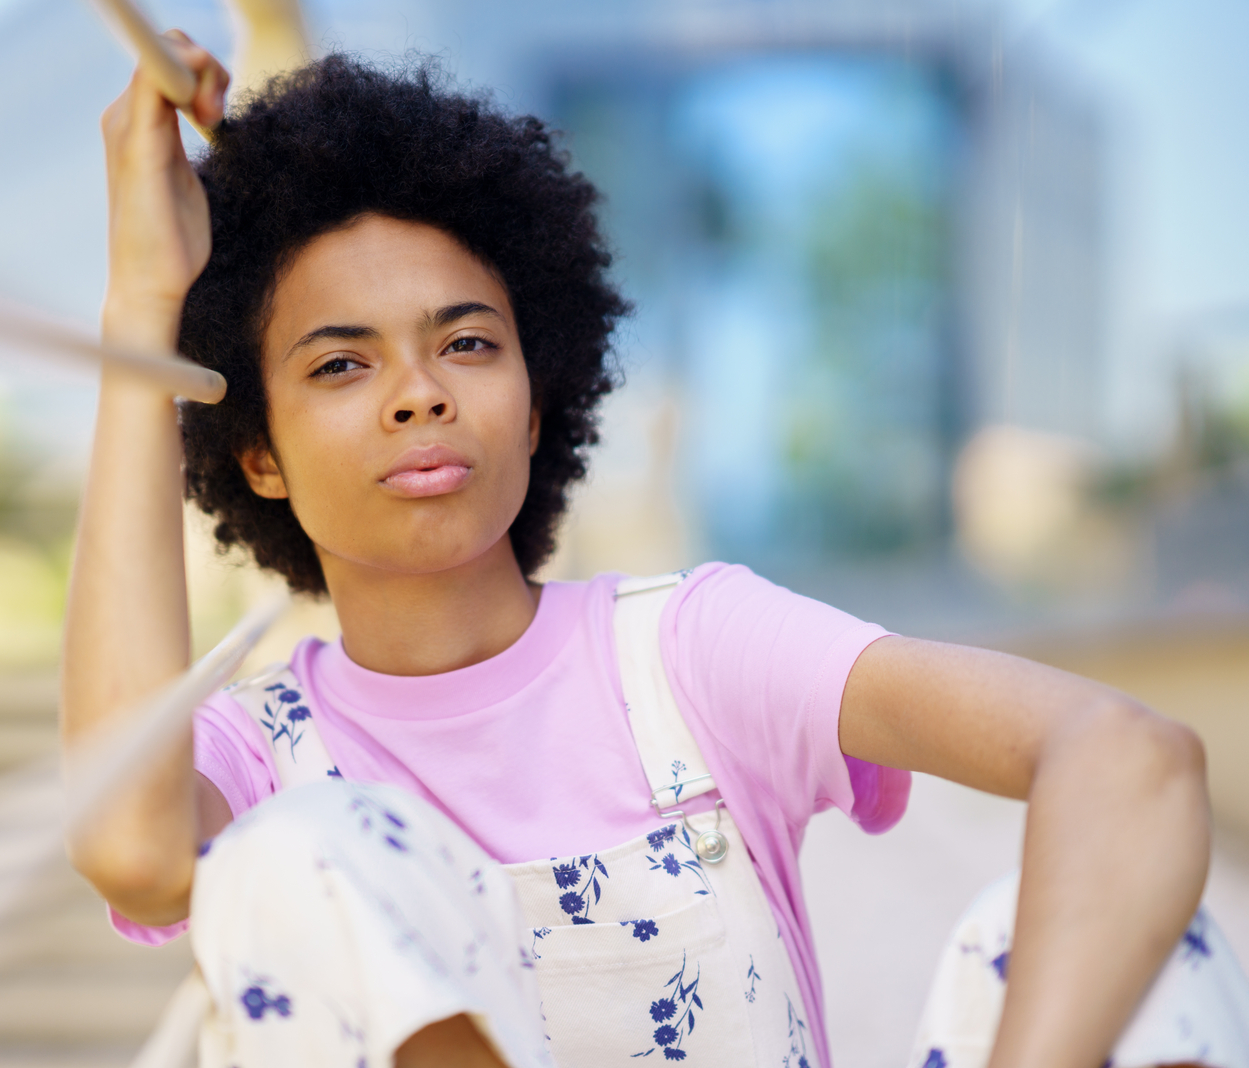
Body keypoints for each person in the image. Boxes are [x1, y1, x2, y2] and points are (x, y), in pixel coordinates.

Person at [60, 30, 1244, 1068]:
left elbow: (1125, 755)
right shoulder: (262, 756)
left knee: (1140, 939)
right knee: (295, 853)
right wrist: (137, 305)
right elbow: (129, 843)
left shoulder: (683, 652)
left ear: (533, 403)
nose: (418, 393)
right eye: (340, 363)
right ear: (255, 455)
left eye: (466, 344)